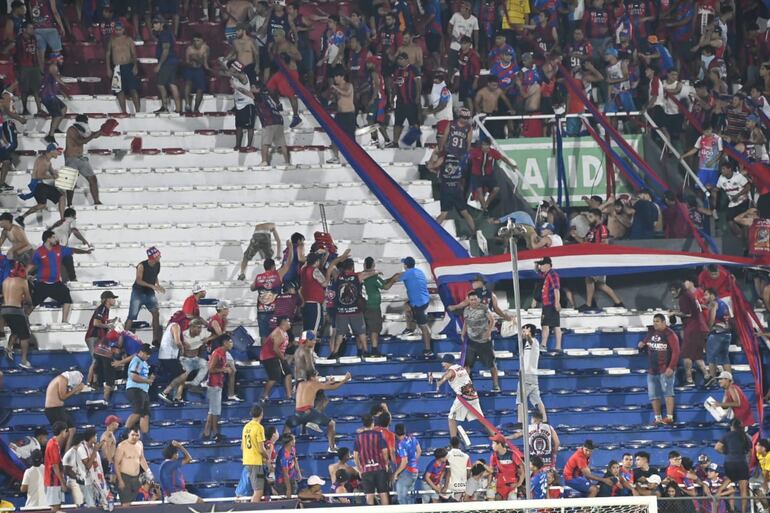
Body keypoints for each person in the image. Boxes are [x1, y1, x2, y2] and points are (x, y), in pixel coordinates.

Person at [28, 229, 92, 323]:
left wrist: (86, 252)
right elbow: (32, 265)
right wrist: (26, 274)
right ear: (48, 239)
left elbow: (73, 250)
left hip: (56, 284)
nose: (56, 239)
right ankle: (24, 321)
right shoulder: (39, 252)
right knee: (32, 305)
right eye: (53, 237)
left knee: (67, 299)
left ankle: (64, 321)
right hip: (42, 284)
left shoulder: (59, 249)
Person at [285, 370, 351, 452]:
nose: (318, 378)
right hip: (309, 413)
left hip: (298, 413)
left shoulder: (300, 384)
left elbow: (318, 386)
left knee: (287, 426)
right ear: (312, 377)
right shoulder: (315, 384)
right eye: (317, 376)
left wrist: (328, 382)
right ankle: (332, 447)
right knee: (331, 424)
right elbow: (334, 387)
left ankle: (285, 449)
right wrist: (345, 379)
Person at [432, 353, 493, 440]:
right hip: (472, 394)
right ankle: (496, 437)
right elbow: (447, 374)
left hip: (463, 397)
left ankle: (454, 442)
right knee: (481, 419)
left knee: (451, 418)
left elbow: (447, 376)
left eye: (444, 362)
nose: (442, 364)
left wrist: (438, 384)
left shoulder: (451, 371)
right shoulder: (459, 367)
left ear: (448, 362)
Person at [576, 209, 624, 310]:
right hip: (592, 259)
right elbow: (584, 243)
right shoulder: (591, 230)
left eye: (591, 217)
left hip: (599, 259)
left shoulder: (602, 228)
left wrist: (596, 252)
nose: (589, 219)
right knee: (596, 283)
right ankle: (618, 303)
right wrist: (575, 235)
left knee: (593, 281)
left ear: (597, 217)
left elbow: (605, 244)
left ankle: (590, 304)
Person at [384, 257, 433, 357]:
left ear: (405, 265)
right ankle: (410, 328)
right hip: (424, 300)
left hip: (418, 304)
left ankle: (428, 349)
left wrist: (384, 283)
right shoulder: (418, 271)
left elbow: (395, 278)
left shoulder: (407, 273)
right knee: (407, 306)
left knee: (423, 327)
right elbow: (399, 275)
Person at [637, 313, 680, 425]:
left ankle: (669, 417)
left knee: (668, 393)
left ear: (664, 322)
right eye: (654, 321)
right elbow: (644, 343)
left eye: (657, 321)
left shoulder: (670, 334)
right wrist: (641, 344)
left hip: (665, 369)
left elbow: (676, 352)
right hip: (652, 370)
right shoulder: (651, 333)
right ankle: (658, 418)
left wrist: (671, 367)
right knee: (653, 395)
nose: (655, 323)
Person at [670, 281, 710, 385]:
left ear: (679, 289)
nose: (672, 293)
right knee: (697, 355)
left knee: (686, 355)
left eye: (673, 290)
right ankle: (707, 375)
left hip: (692, 329)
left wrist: (674, 313)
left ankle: (689, 379)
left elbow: (687, 314)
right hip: (701, 328)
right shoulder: (690, 295)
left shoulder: (683, 297)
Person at [16, 143, 66, 226]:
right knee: (42, 205)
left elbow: (53, 173)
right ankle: (21, 217)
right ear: (52, 151)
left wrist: (56, 175)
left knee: (61, 197)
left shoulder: (48, 161)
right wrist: (52, 176)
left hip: (40, 185)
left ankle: (62, 220)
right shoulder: (43, 160)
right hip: (37, 185)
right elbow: (39, 175)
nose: (58, 153)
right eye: (57, 151)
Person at [252, 246, 293, 341]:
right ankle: (274, 354)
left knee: (263, 336)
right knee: (276, 335)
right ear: (273, 267)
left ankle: (264, 355)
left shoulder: (259, 277)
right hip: (274, 310)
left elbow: (252, 288)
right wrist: (290, 248)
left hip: (261, 310)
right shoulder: (277, 275)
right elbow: (288, 264)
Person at [462, 290, 499, 392]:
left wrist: (489, 332)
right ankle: (467, 387)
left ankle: (496, 385)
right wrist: (462, 333)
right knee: (467, 365)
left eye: (475, 299)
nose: (473, 301)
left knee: (491, 364)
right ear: (468, 300)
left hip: (484, 342)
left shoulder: (484, 308)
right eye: (471, 300)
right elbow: (466, 322)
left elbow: (492, 320)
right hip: (471, 341)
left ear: (478, 299)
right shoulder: (466, 310)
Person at [125, 246, 164, 343]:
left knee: (156, 313)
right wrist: (152, 286)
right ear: (153, 257)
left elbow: (155, 275)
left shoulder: (157, 264)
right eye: (158, 255)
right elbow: (138, 280)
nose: (160, 257)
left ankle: (155, 339)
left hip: (149, 291)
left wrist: (157, 285)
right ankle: (123, 338)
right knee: (132, 315)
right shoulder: (141, 265)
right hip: (138, 292)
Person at [64, 114, 102, 206]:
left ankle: (97, 202)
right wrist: (93, 136)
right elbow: (80, 141)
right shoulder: (71, 129)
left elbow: (94, 135)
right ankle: (69, 204)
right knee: (71, 183)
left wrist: (102, 130)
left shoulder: (83, 130)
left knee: (93, 179)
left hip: (81, 158)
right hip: (71, 158)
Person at [716, 419, 752, 513]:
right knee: (743, 490)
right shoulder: (746, 436)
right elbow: (750, 453)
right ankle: (744, 512)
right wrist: (748, 463)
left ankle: (717, 497)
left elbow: (717, 447)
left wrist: (726, 453)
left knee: (728, 480)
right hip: (742, 463)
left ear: (732, 426)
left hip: (729, 462)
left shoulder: (727, 435)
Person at [353, 414, 390, 505]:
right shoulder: (378, 435)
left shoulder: (358, 437)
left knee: (369, 495)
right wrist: (385, 463)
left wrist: (359, 469)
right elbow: (385, 451)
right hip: (379, 468)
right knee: (383, 493)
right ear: (372, 423)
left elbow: (355, 455)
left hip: (366, 470)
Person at [44, 371, 85, 451]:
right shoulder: (62, 379)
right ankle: (57, 454)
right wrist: (76, 389)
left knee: (72, 429)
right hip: (53, 410)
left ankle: (66, 453)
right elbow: (62, 397)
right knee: (62, 434)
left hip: (59, 409)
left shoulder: (64, 379)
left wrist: (76, 389)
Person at [2, 262, 32, 368]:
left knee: (15, 331)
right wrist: (29, 304)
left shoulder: (5, 281)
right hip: (16, 310)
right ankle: (24, 360)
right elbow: (28, 299)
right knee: (25, 336)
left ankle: (9, 348)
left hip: (4, 311)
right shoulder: (23, 281)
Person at [105, 22, 140, 113]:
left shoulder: (129, 40)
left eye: (120, 29)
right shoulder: (112, 41)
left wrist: (135, 66)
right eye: (116, 29)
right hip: (117, 68)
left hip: (128, 66)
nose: (118, 31)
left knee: (133, 90)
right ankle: (123, 112)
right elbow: (108, 54)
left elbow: (134, 53)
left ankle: (138, 112)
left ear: (123, 30)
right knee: (119, 91)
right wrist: (108, 68)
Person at [254, 81, 290, 166]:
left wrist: (238, 87)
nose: (251, 89)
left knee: (264, 143)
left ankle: (264, 161)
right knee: (282, 143)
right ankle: (287, 162)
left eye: (253, 87)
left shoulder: (259, 96)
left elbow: (248, 94)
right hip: (279, 120)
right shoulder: (269, 96)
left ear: (258, 89)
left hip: (269, 121)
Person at [204, 334, 233, 441]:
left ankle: (207, 432)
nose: (231, 344)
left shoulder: (224, 353)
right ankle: (215, 433)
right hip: (213, 384)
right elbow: (211, 369)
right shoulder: (218, 353)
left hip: (218, 383)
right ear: (225, 342)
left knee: (213, 410)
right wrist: (223, 370)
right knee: (216, 410)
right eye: (230, 341)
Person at [49, 208, 91, 282]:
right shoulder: (67, 222)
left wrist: (84, 241)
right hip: (55, 249)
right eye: (74, 216)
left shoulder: (61, 223)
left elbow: (74, 231)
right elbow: (74, 231)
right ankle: (73, 279)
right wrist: (85, 246)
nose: (75, 218)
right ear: (71, 216)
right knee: (68, 257)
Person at [114, 427, 152, 506]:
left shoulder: (140, 444)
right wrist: (120, 480)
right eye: (132, 435)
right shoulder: (122, 446)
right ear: (128, 435)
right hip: (124, 478)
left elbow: (142, 459)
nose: (134, 437)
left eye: (137, 435)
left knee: (136, 503)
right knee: (126, 505)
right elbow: (116, 464)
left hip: (136, 479)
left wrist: (149, 472)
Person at [259, 315, 293, 401]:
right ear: (284, 322)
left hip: (276, 356)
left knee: (288, 373)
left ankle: (289, 396)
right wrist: (283, 358)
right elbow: (275, 348)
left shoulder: (284, 332)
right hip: (270, 357)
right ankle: (264, 396)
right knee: (274, 377)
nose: (290, 323)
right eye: (288, 321)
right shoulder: (278, 333)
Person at [151, 16, 181, 113]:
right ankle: (178, 109)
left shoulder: (164, 34)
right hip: (172, 62)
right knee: (172, 84)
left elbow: (166, 50)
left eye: (156, 23)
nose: (154, 25)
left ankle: (164, 107)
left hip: (167, 63)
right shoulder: (167, 33)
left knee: (160, 84)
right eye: (153, 23)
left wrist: (159, 65)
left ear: (162, 24)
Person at [326, 68, 356, 165]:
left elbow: (346, 93)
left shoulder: (348, 85)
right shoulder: (335, 88)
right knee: (334, 135)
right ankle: (335, 157)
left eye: (336, 76)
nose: (335, 78)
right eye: (334, 77)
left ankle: (355, 158)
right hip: (339, 115)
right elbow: (330, 99)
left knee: (351, 139)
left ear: (342, 76)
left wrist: (336, 88)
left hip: (349, 115)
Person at [124, 343, 155, 436]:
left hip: (143, 391)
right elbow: (133, 376)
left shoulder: (144, 363)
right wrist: (147, 380)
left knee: (145, 415)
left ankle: (145, 437)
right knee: (137, 412)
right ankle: (124, 434)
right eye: (147, 354)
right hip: (135, 389)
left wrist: (150, 379)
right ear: (141, 352)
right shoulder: (137, 361)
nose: (148, 356)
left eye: (149, 354)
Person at [226, 60, 256, 151]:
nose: (230, 69)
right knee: (238, 126)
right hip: (239, 105)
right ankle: (238, 145)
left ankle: (249, 145)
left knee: (250, 127)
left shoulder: (242, 76)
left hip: (248, 103)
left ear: (236, 69)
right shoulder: (233, 76)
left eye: (232, 67)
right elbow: (227, 73)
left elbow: (232, 74)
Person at [242, 404, 268, 503]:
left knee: (256, 491)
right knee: (258, 492)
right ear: (261, 414)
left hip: (247, 460)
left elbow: (242, 446)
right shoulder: (259, 427)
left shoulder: (246, 426)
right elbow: (261, 449)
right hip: (255, 461)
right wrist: (267, 457)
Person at [704, 287, 732, 380]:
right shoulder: (723, 303)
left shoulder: (713, 303)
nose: (704, 297)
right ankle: (729, 380)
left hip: (717, 333)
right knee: (724, 358)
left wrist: (707, 330)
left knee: (711, 356)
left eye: (706, 295)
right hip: (727, 333)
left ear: (712, 295)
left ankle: (712, 379)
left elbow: (712, 319)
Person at [536, 257, 563, 352]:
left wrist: (557, 302)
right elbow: (536, 271)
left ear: (547, 265)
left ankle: (543, 345)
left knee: (545, 325)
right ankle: (558, 346)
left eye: (542, 265)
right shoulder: (546, 275)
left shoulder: (552, 275)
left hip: (550, 304)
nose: (540, 267)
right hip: (549, 304)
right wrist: (537, 265)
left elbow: (556, 289)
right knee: (555, 325)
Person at [393, 423, 421, 504]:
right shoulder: (413, 438)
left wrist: (396, 473)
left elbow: (404, 462)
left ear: (395, 433)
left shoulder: (401, 444)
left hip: (407, 472)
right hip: (414, 471)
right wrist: (414, 462)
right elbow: (419, 451)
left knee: (401, 497)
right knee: (409, 495)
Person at [44, 421, 69, 512]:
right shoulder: (53, 445)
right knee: (55, 508)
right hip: (53, 481)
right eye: (66, 431)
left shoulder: (54, 443)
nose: (67, 434)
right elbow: (55, 467)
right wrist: (62, 482)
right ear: (62, 431)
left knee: (58, 507)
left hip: (55, 481)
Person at [490, 434, 523, 500]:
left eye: (493, 443)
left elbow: (522, 469)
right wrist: (490, 483)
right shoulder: (494, 456)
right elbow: (491, 470)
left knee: (512, 504)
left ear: (499, 444)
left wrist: (519, 483)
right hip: (500, 485)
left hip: (512, 486)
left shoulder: (512, 454)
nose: (492, 446)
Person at [183, 34, 210, 113]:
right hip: (190, 69)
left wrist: (198, 60)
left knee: (200, 89)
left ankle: (196, 108)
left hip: (199, 69)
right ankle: (187, 105)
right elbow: (187, 61)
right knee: (188, 84)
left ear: (202, 41)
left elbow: (205, 63)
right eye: (194, 40)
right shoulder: (189, 49)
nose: (196, 42)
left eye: (198, 40)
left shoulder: (205, 48)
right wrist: (191, 63)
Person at [445, 436, 471, 500]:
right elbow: (468, 472)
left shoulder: (447, 455)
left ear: (450, 444)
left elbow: (448, 472)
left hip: (451, 486)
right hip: (463, 486)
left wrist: (445, 486)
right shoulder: (466, 456)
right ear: (459, 444)